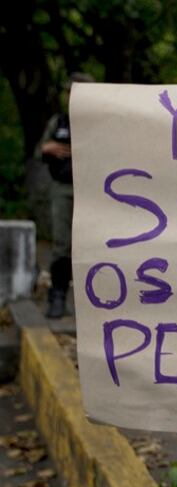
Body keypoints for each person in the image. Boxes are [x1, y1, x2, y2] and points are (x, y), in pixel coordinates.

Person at [37, 72, 95, 318]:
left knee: (94, 246)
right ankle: (58, 295)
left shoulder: (99, 120)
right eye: (69, 92)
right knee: (62, 243)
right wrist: (48, 148)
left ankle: (94, 302)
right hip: (63, 187)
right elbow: (40, 149)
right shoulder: (59, 121)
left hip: (93, 189)